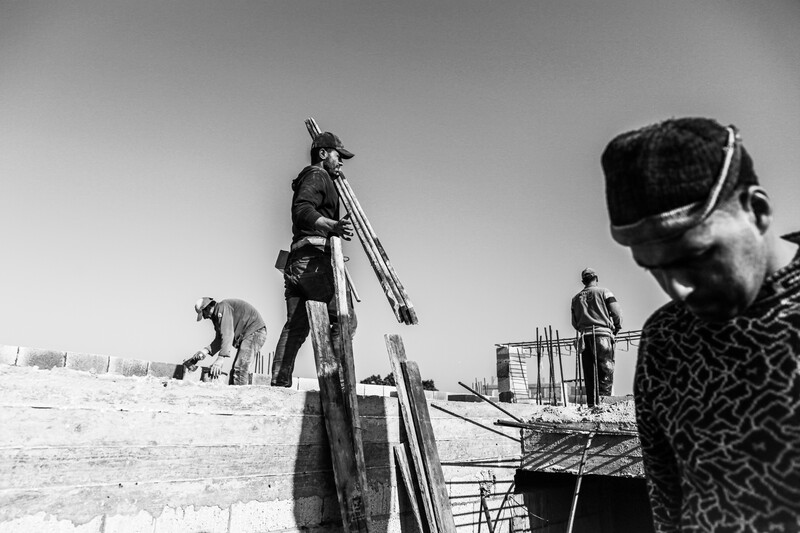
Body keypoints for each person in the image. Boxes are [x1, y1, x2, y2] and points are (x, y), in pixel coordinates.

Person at [601, 117, 800, 532]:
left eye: (694, 256)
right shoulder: (666, 339)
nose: (677, 289)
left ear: (757, 210)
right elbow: (666, 497)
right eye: (652, 268)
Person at [270, 131, 356, 387]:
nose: (341, 162)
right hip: (314, 262)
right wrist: (332, 225)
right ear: (323, 154)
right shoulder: (317, 175)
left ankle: (279, 383)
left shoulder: (316, 177)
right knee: (344, 318)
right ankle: (336, 385)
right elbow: (302, 210)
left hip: (296, 262)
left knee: (295, 326)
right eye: (338, 156)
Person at [570, 267, 622, 407]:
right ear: (596, 278)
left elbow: (574, 323)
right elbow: (616, 313)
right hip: (602, 337)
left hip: (585, 339)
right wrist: (616, 327)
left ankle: (592, 406)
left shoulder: (576, 299)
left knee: (589, 376)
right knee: (605, 373)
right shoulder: (604, 292)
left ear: (583, 281)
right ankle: (604, 407)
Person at [186, 297, 267, 385]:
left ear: (208, 307)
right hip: (249, 334)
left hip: (254, 331)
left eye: (204, 313)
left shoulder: (223, 308)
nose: (205, 317)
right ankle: (235, 395)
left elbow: (228, 334)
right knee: (235, 373)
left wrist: (220, 359)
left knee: (240, 369)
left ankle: (240, 397)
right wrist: (204, 351)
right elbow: (220, 339)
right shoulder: (217, 317)